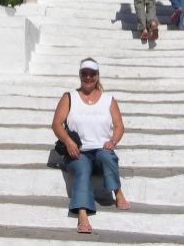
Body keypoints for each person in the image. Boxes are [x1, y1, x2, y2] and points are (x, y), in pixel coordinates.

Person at [51, 57, 130, 234]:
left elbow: (119, 126)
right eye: (84, 73)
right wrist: (69, 142)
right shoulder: (69, 97)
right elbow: (56, 124)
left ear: (97, 75)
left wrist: (113, 141)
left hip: (101, 149)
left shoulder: (109, 99)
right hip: (78, 151)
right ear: (80, 75)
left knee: (107, 155)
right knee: (82, 168)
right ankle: (82, 213)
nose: (88, 77)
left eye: (92, 74)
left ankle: (117, 193)